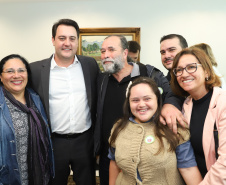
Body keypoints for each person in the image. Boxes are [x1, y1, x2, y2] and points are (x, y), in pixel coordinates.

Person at [94, 35, 187, 185]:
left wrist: (169, 105)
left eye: (111, 50)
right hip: (111, 156)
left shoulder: (149, 73)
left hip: (147, 155)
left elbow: (172, 93)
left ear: (125, 53)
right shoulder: (101, 80)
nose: (105, 55)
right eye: (103, 51)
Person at [30, 19, 99, 185]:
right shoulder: (36, 70)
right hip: (53, 143)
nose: (67, 43)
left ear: (77, 41)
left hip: (85, 141)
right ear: (53, 40)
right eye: (62, 38)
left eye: (72, 38)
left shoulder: (90, 65)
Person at [108, 77, 202, 185]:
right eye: (135, 100)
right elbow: (114, 162)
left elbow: (188, 168)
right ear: (128, 102)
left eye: (147, 99)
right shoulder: (118, 128)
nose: (141, 104)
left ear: (157, 99)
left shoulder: (174, 127)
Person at [171, 47, 226, 184]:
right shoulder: (186, 105)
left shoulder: (222, 102)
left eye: (191, 67)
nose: (184, 74)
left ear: (207, 71)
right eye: (179, 70)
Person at [0, 54, 54, 185]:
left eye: (21, 70)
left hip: (38, 175)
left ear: (27, 74)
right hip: (9, 177)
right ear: (1, 77)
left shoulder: (35, 98)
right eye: (10, 71)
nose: (16, 75)